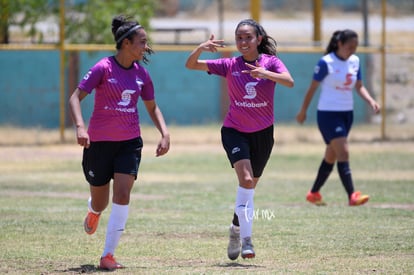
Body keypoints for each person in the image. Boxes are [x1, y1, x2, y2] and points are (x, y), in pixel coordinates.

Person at [185, 19, 294, 260]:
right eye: (239, 38)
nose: (243, 42)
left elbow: (289, 81)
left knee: (249, 187)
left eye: (248, 37)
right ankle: (246, 241)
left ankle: (235, 228)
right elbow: (191, 65)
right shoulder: (229, 64)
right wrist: (201, 48)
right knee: (245, 180)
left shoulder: (270, 62)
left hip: (263, 134)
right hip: (235, 130)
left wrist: (264, 73)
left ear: (259, 40)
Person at [68, 15, 170, 270]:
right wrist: (80, 127)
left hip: (129, 143)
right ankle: (94, 210)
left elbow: (152, 107)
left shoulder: (142, 74)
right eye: (142, 42)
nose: (145, 47)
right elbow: (74, 98)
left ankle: (108, 255)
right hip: (99, 144)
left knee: (123, 194)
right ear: (126, 43)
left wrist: (164, 133)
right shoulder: (103, 67)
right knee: (101, 201)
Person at [296, 29, 380, 207]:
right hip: (328, 114)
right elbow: (312, 88)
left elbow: (359, 86)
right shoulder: (327, 62)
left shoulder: (355, 61)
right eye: (350, 46)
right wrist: (303, 110)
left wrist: (371, 101)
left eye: (356, 47)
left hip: (346, 114)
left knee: (331, 155)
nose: (353, 50)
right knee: (344, 152)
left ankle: (313, 193)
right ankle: (352, 195)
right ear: (340, 44)